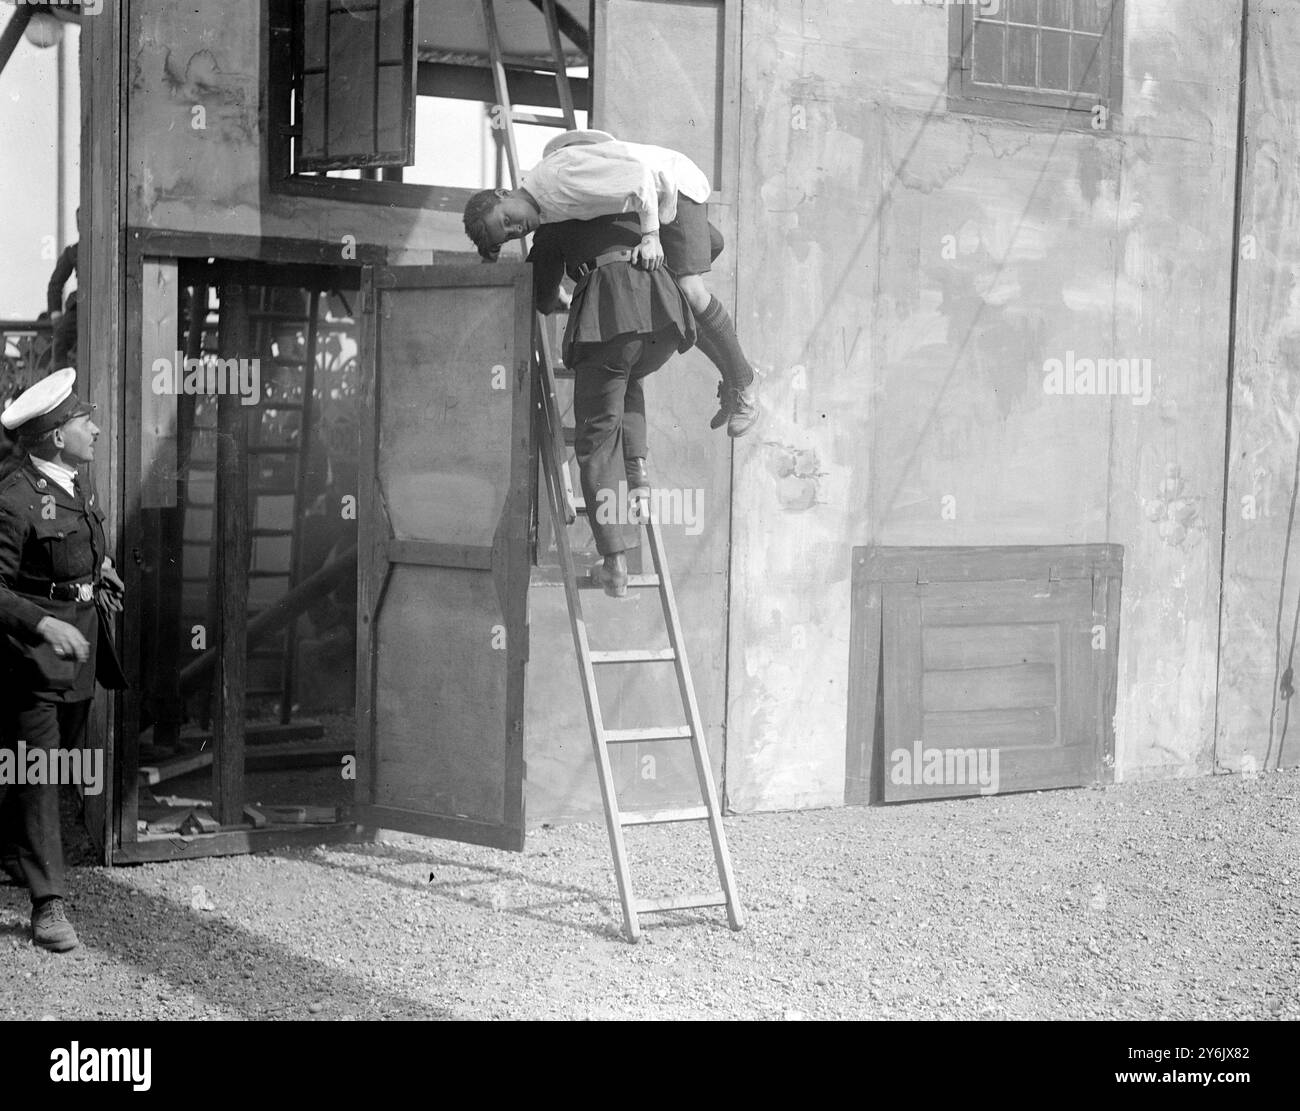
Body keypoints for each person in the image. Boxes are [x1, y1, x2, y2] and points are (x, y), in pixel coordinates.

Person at [463, 130, 758, 437]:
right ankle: (735, 378)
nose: (516, 228)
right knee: (681, 304)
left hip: (671, 187)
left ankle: (746, 384)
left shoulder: (556, 176)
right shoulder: (544, 208)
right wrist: (561, 295)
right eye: (510, 235)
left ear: (502, 194)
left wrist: (651, 238)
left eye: (506, 220)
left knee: (690, 291)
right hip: (654, 204)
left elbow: (640, 174)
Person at [0, 367, 126, 952]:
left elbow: (74, 548)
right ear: (56, 436)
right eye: (84, 422)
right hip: (31, 656)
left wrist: (96, 573)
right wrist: (44, 621)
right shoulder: (14, 498)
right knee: (41, 773)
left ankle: (13, 852)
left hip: (80, 648)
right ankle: (47, 904)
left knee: (51, 766)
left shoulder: (75, 487)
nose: (95, 430)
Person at [530, 209, 697, 596]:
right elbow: (712, 241)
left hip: (609, 321)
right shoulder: (633, 203)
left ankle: (614, 564)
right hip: (662, 316)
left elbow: (540, 294)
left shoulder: (560, 210)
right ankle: (637, 470)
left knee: (598, 444)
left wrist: (564, 296)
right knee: (629, 374)